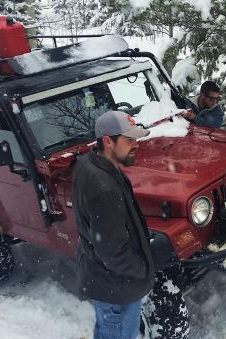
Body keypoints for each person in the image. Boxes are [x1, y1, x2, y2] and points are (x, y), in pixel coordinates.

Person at [72, 110, 155, 339]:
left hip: (103, 280)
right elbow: (112, 253)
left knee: (108, 331)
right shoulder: (103, 188)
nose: (136, 144)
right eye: (129, 140)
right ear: (108, 141)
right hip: (116, 288)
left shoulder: (89, 164)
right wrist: (144, 268)